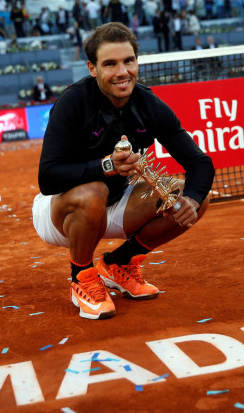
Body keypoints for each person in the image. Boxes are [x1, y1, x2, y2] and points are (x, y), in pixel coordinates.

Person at [32, 22, 214, 320]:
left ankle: (119, 262)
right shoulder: (73, 102)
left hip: (117, 205)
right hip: (62, 212)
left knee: (194, 197)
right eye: (110, 64)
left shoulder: (148, 103)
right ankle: (81, 277)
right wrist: (106, 166)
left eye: (128, 61)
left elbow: (199, 162)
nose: (122, 72)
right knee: (95, 190)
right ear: (92, 68)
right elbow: (48, 177)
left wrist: (192, 200)